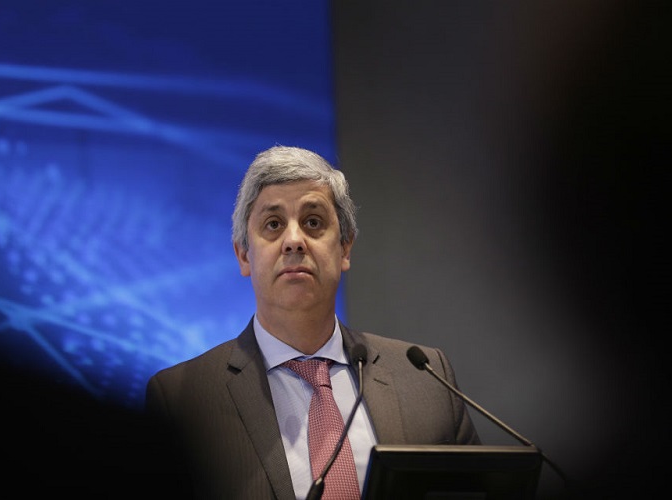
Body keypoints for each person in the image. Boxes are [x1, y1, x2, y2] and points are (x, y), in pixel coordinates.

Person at [145, 145, 480, 499]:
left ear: (345, 248)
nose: (294, 241)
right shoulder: (181, 401)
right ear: (243, 255)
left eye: (313, 222)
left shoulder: (425, 380)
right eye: (273, 225)